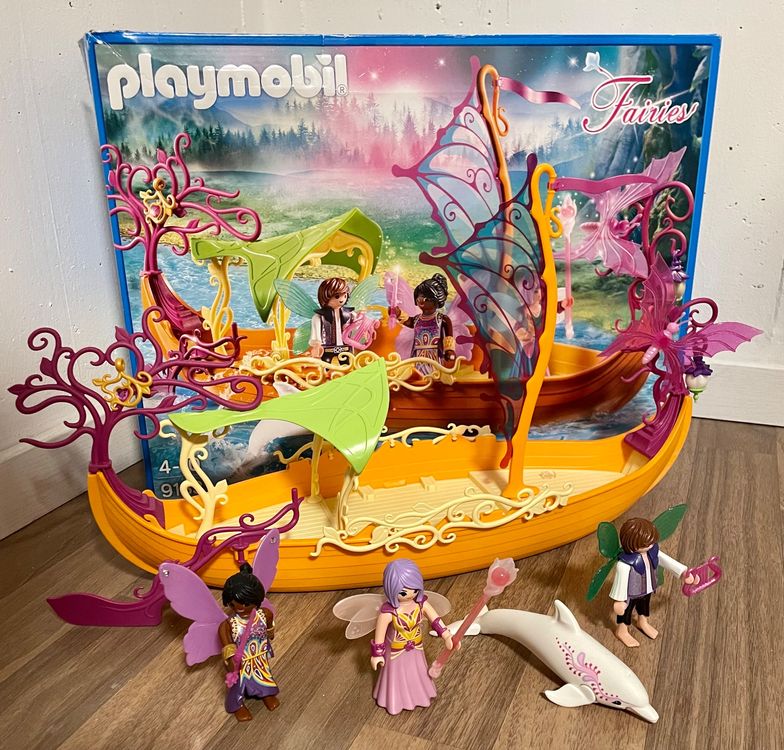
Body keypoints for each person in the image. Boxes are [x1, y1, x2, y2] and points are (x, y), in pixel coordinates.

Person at [370, 559, 455, 714]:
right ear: (391, 589)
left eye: (415, 589)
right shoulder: (388, 613)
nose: (410, 595)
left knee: (417, 672)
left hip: (416, 648)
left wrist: (447, 635)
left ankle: (419, 695)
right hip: (396, 651)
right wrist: (377, 655)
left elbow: (436, 621)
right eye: (403, 592)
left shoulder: (421, 604)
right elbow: (379, 637)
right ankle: (395, 699)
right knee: (395, 677)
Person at [609, 517, 696, 647]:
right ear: (631, 543)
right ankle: (622, 630)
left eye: (651, 541)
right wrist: (619, 600)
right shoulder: (625, 564)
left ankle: (642, 622)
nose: (650, 545)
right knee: (626, 612)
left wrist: (683, 573)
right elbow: (620, 582)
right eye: (645, 543)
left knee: (644, 607)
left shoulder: (652, 552)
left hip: (648, 588)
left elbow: (667, 561)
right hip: (631, 593)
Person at [219, 563, 280, 721]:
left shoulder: (264, 614)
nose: (240, 607)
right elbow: (227, 645)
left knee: (264, 675)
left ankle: (266, 693)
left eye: (246, 603)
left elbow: (269, 628)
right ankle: (237, 704)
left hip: (259, 656)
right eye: (233, 604)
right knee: (238, 684)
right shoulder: (229, 624)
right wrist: (231, 660)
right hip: (242, 661)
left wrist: (270, 634)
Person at [389, 273, 456, 376]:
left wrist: (449, 350)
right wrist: (398, 314)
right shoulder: (417, 319)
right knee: (418, 375)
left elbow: (448, 337)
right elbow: (409, 322)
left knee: (433, 375)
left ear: (436, 299)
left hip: (434, 355)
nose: (420, 299)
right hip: (417, 355)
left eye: (425, 297)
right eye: (419, 296)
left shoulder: (442, 319)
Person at [309, 277, 357, 362]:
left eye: (345, 295)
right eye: (337, 296)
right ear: (325, 297)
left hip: (345, 348)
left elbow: (356, 328)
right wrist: (316, 344)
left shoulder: (350, 314)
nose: (341, 299)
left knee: (346, 364)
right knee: (326, 366)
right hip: (327, 349)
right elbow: (316, 333)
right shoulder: (319, 317)